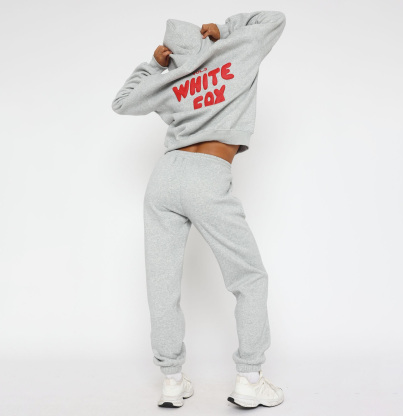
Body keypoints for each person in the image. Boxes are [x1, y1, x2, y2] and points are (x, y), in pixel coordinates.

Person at [111, 10, 286, 408]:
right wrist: (226, 29)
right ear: (204, 39)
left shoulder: (169, 77)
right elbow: (274, 19)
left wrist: (154, 64)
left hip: (165, 177)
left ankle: (172, 380)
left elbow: (122, 102)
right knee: (249, 278)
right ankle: (250, 378)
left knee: (162, 285)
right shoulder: (236, 51)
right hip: (208, 175)